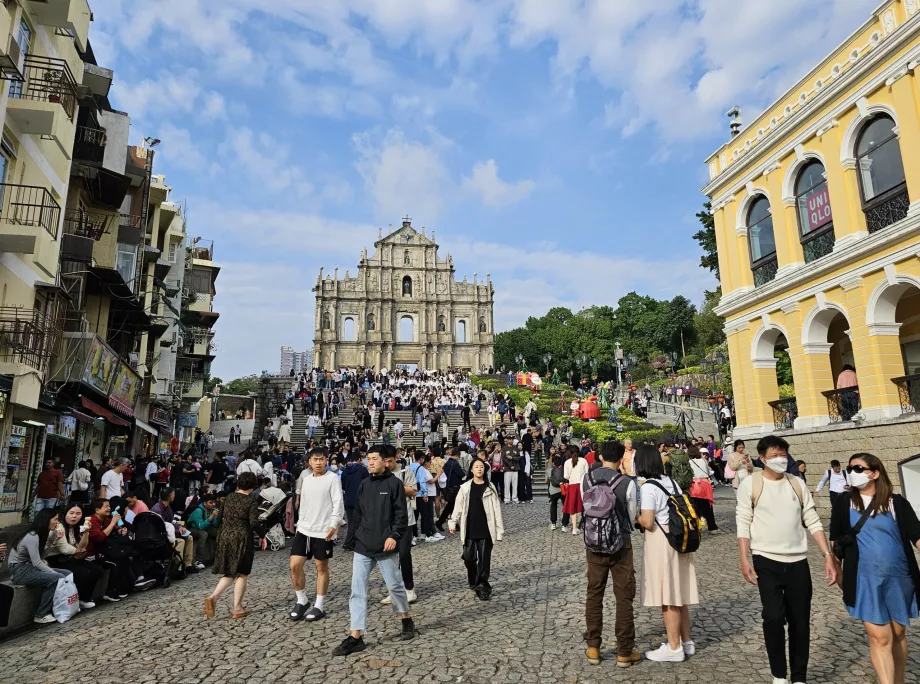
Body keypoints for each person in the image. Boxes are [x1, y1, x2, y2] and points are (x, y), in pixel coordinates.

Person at [736, 435, 836, 684]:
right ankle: (779, 675)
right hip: (765, 559)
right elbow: (743, 522)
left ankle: (799, 677)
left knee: (800, 622)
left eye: (783, 455)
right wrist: (744, 558)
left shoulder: (796, 484)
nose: (780, 460)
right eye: (774, 456)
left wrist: (827, 555)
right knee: (772, 617)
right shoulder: (751, 484)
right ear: (762, 458)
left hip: (798, 561)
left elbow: (812, 519)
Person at [830, 453, 920, 684]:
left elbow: (916, 536)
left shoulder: (896, 503)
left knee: (898, 634)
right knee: (880, 637)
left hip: (899, 578)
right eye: (850, 468)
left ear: (875, 473)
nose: (852, 472)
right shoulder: (843, 502)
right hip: (864, 579)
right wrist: (835, 567)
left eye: (858, 468)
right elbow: (837, 541)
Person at [332, 446, 415, 656]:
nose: (370, 462)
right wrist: (356, 536)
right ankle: (356, 636)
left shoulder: (395, 484)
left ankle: (405, 618)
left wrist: (393, 536)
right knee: (357, 589)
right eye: (368, 459)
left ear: (385, 461)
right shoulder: (364, 484)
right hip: (363, 546)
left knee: (395, 586)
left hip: (386, 545)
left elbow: (401, 516)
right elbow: (357, 515)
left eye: (374, 459)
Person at [636, 444, 699, 663]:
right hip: (679, 541)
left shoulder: (647, 487)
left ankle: (673, 648)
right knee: (679, 594)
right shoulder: (671, 482)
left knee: (668, 596)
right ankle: (687, 641)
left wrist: (636, 518)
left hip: (662, 543)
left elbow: (648, 521)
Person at [583, 441, 639, 668]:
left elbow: (584, 506)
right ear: (620, 458)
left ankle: (593, 646)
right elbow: (632, 514)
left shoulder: (587, 479)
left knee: (594, 594)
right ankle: (624, 651)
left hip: (593, 542)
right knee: (624, 596)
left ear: (600, 456)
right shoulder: (626, 482)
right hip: (621, 544)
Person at [289, 447, 344, 622]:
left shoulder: (333, 479)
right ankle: (302, 600)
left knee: (321, 567)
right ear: (310, 462)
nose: (318, 462)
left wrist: (333, 525)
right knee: (295, 565)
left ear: (326, 460)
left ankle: (319, 605)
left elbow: (338, 503)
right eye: (315, 459)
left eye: (321, 459)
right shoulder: (306, 479)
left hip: (323, 530)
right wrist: (299, 525)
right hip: (304, 529)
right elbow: (303, 504)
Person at [205, 472, 267, 620]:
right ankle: (237, 608)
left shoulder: (228, 498)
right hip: (241, 538)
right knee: (241, 573)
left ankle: (213, 597)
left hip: (225, 536)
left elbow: (219, 518)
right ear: (252, 486)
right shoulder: (251, 501)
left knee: (230, 571)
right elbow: (253, 522)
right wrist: (263, 535)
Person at [448, 458, 504, 601]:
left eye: (481, 467)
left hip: (486, 528)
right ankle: (473, 579)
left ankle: (483, 585)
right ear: (471, 470)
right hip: (470, 528)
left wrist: (499, 530)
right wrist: (453, 522)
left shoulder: (490, 487)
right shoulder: (465, 487)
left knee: (484, 560)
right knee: (469, 557)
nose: (479, 469)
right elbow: (458, 507)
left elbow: (497, 510)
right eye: (476, 467)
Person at [6, 509, 73, 623]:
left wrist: (55, 539)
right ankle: (41, 614)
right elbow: (37, 562)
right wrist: (52, 572)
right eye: (55, 519)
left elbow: (41, 557)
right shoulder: (33, 536)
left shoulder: (42, 534)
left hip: (30, 567)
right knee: (57, 578)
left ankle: (62, 607)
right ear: (47, 520)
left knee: (67, 573)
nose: (57, 522)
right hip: (21, 569)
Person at [47, 504, 104, 610]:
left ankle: (84, 598)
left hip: (69, 557)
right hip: (54, 559)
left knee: (97, 570)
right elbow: (64, 549)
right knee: (82, 573)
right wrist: (78, 551)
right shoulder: (59, 527)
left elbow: (82, 546)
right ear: (65, 514)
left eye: (78, 514)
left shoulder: (77, 528)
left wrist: (86, 533)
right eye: (71, 513)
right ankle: (73, 600)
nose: (74, 516)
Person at [381, 446, 418, 605]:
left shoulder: (405, 471)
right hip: (386, 521)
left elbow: (414, 490)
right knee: (389, 558)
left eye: (390, 461)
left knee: (404, 554)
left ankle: (409, 589)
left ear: (396, 457)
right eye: (385, 462)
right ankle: (394, 590)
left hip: (405, 520)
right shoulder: (381, 474)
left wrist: (396, 487)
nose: (387, 464)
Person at [341, 452, 369, 551]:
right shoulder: (363, 470)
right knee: (356, 522)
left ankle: (354, 542)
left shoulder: (345, 470)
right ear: (358, 459)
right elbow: (367, 484)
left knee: (351, 522)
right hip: (359, 499)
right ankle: (348, 543)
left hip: (348, 499)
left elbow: (343, 485)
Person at [688, 446, 719, 534]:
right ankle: (712, 527)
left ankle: (697, 527)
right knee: (708, 506)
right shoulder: (704, 460)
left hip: (694, 485)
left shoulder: (688, 462)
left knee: (695, 506)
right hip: (705, 484)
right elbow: (708, 472)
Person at [436, 447, 466, 530]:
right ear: (456, 456)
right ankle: (441, 522)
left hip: (448, 487)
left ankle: (453, 524)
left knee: (451, 506)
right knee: (451, 506)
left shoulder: (447, 462)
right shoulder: (455, 463)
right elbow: (461, 474)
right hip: (455, 487)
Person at [187, 493, 220, 566]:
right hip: (192, 529)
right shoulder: (198, 511)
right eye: (211, 502)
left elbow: (214, 525)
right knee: (203, 534)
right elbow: (201, 526)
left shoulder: (212, 510)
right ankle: (198, 560)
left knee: (219, 532)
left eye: (214, 502)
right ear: (205, 503)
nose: (213, 504)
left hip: (205, 527)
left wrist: (217, 517)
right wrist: (211, 516)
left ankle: (219, 557)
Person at [562, 445, 589, 535]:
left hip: (572, 486)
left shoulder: (567, 462)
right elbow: (587, 473)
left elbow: (565, 476)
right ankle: (586, 525)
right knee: (584, 506)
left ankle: (574, 528)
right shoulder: (583, 461)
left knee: (572, 508)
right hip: (582, 485)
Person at [546, 453, 564, 530]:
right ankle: (564, 525)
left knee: (553, 505)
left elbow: (546, 481)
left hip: (553, 491)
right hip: (563, 490)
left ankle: (553, 524)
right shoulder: (563, 469)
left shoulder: (549, 470)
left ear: (553, 462)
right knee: (565, 506)